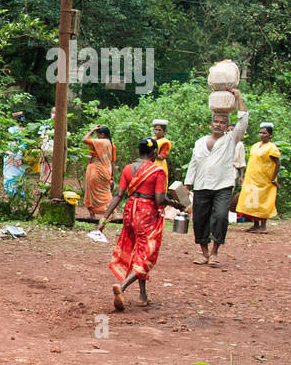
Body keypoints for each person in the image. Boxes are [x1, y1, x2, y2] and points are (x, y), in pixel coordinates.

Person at [97, 138, 170, 312]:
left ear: (139, 152)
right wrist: (175, 203)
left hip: (130, 212)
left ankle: (143, 296)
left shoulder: (128, 169)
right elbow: (160, 199)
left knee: (138, 252)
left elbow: (118, 195)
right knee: (147, 255)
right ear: (154, 154)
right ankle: (122, 287)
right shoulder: (158, 171)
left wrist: (103, 220)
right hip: (147, 213)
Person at [185, 88, 249, 266]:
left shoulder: (230, 139)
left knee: (221, 216)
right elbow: (194, 163)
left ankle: (215, 252)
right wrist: (187, 184)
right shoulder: (200, 142)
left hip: (223, 185)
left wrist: (238, 97)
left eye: (223, 122)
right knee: (199, 219)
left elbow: (243, 122)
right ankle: (204, 253)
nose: (219, 124)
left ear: (227, 126)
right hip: (202, 185)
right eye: (216, 121)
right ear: (211, 124)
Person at [236, 123, 281, 232]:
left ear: (270, 135)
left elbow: (278, 163)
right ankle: (255, 224)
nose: (261, 135)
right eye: (260, 133)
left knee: (263, 201)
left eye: (264, 133)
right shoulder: (255, 145)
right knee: (252, 201)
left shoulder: (271, 147)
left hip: (265, 180)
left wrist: (273, 178)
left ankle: (263, 226)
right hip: (252, 179)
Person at [83, 125, 115, 218]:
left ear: (103, 134)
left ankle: (92, 214)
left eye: (97, 134)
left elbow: (84, 140)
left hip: (96, 169)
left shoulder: (101, 142)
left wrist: (91, 130)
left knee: (91, 191)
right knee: (106, 192)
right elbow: (113, 161)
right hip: (106, 169)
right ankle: (112, 212)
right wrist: (112, 175)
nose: (96, 136)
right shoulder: (111, 145)